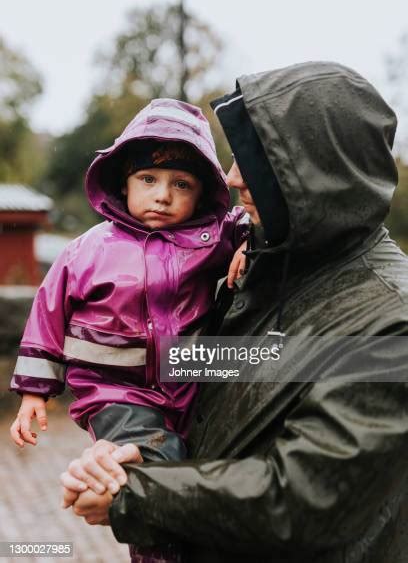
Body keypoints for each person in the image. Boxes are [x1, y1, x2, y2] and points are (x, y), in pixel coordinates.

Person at [61, 62, 408, 563]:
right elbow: (209, 371)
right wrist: (127, 442)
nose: (231, 178)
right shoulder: (271, 263)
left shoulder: (389, 320)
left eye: (255, 159)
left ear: (319, 172)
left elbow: (303, 500)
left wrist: (134, 493)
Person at [9, 99, 248, 561]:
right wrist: (34, 392)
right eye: (148, 180)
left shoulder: (208, 238)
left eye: (182, 184)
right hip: (113, 394)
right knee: (157, 461)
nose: (163, 195)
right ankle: (146, 534)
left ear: (202, 195)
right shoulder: (87, 251)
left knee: (189, 462)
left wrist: (248, 247)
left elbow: (254, 226)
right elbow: (47, 315)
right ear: (124, 182)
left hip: (187, 387)